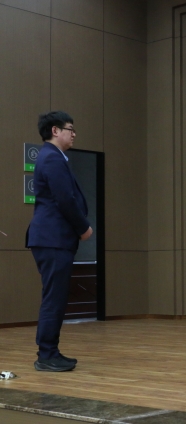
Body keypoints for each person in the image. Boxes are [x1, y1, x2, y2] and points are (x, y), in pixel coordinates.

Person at [26, 111, 92, 372]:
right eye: (70, 129)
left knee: (56, 296)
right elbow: (65, 199)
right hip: (53, 238)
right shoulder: (52, 158)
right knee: (54, 297)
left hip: (52, 238)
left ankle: (50, 351)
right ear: (55, 130)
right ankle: (46, 354)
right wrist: (83, 227)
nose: (74, 134)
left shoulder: (53, 157)